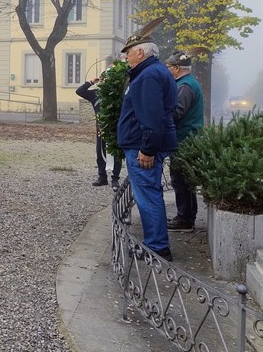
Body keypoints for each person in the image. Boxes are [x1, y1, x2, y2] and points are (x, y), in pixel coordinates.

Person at [117, 34, 177, 261]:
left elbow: (151, 118)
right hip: (143, 143)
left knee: (148, 195)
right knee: (148, 193)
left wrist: (148, 149)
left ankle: (157, 247)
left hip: (142, 146)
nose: (126, 57)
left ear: (140, 52)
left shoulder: (148, 76)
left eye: (128, 53)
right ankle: (156, 242)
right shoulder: (155, 72)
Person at [165, 51, 204, 231]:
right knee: (184, 180)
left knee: (181, 180)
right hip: (188, 137)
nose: (167, 70)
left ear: (177, 68)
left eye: (169, 67)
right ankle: (185, 216)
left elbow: (176, 112)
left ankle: (185, 219)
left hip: (184, 139)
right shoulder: (187, 83)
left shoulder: (184, 86)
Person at [76, 75, 123, 189]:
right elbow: (80, 91)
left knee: (116, 153)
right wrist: (91, 82)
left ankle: (115, 178)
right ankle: (102, 177)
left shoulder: (117, 93)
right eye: (104, 80)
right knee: (100, 152)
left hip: (115, 127)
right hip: (101, 128)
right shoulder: (96, 94)